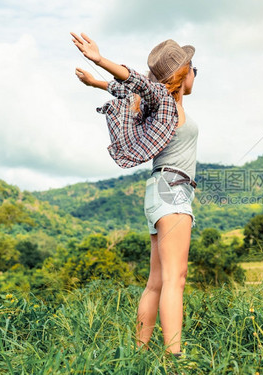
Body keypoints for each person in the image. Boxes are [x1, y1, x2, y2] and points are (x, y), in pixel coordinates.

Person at [71, 32, 199, 357]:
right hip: (173, 192)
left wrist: (97, 83)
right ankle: (175, 358)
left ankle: (137, 355)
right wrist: (99, 60)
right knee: (175, 279)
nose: (197, 73)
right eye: (194, 67)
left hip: (161, 191)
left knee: (157, 281)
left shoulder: (161, 106)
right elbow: (138, 84)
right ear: (183, 73)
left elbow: (131, 92)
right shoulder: (165, 103)